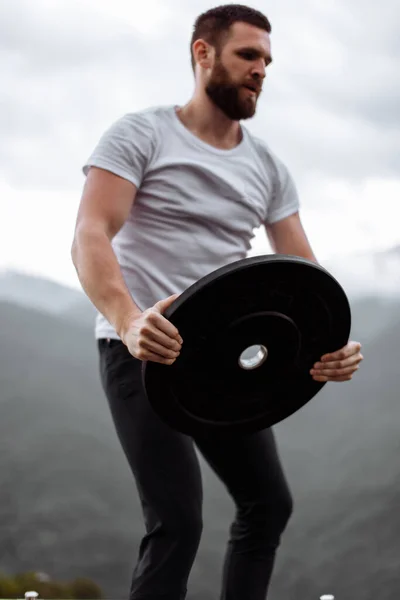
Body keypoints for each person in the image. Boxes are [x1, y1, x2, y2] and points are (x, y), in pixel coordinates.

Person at [71, 4, 364, 599]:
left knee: (268, 505)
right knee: (177, 522)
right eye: (248, 55)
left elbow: (305, 274)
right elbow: (90, 234)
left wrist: (333, 343)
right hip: (144, 349)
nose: (261, 70)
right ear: (203, 53)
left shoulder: (267, 168)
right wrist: (129, 321)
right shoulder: (142, 133)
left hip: (223, 358)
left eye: (267, 61)